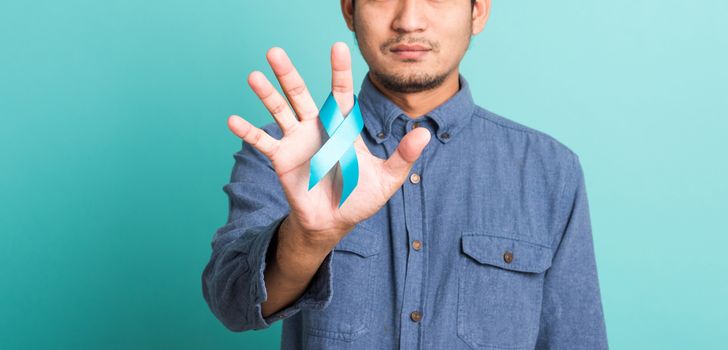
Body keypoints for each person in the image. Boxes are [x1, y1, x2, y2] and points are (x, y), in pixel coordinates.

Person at [201, 0, 609, 348]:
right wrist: (306, 240)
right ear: (349, 9)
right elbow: (232, 304)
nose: (408, 20)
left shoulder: (550, 169)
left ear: (478, 11)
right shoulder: (291, 152)